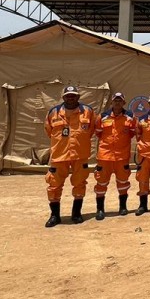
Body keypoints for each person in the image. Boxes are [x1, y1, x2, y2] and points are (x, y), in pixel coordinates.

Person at [43, 85, 99, 227]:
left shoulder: (88, 112)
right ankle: (55, 216)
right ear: (63, 98)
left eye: (73, 95)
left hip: (80, 154)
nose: (71, 98)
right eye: (68, 96)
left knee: (80, 184)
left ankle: (76, 213)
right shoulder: (53, 113)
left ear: (78, 97)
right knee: (54, 185)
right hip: (60, 155)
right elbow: (49, 131)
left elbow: (91, 130)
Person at [93, 91, 136, 219]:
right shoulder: (103, 117)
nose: (117, 103)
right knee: (101, 183)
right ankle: (100, 210)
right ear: (112, 102)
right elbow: (98, 133)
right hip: (104, 156)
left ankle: (123, 207)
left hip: (121, 156)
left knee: (123, 182)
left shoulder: (130, 117)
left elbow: (132, 133)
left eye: (120, 100)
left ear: (124, 103)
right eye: (115, 100)